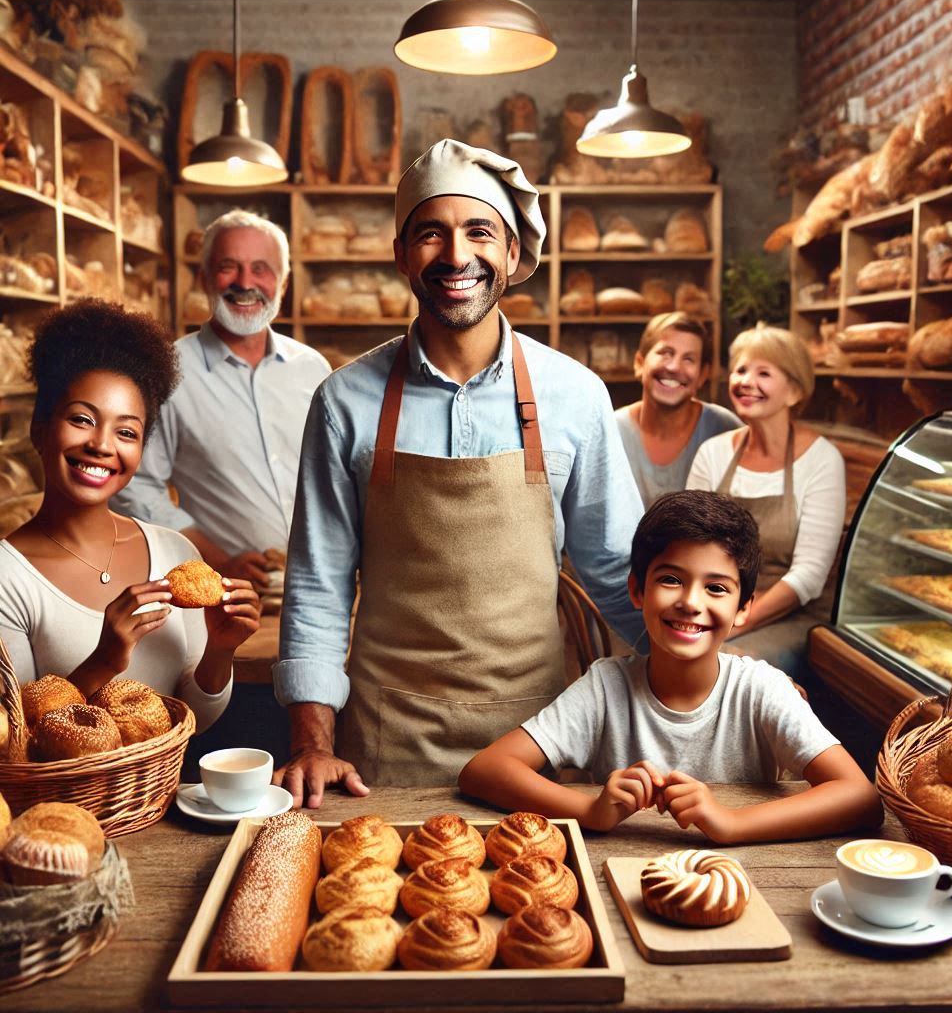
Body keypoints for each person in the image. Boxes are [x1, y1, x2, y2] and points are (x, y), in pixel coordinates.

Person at [273, 139, 646, 803]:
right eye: (430, 234)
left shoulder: (576, 394)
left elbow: (618, 571)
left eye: (479, 231)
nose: (456, 256)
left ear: (511, 253)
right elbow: (319, 589)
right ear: (401, 256)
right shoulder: (344, 400)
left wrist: (717, 675)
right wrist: (312, 745)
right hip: (386, 745)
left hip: (538, 740)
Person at [459, 491, 881, 841]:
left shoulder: (761, 689)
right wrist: (591, 809)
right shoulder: (606, 688)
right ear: (637, 590)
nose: (691, 602)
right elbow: (485, 770)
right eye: (671, 579)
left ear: (742, 609)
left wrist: (730, 821)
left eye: (716, 587)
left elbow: (860, 798)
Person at [0, 299, 261, 731]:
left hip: (164, 792)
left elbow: (197, 721)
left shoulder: (174, 551)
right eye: (82, 419)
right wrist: (102, 662)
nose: (102, 445)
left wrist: (221, 648)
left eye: (126, 432)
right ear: (40, 428)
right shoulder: (9, 576)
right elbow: (15, 742)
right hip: (62, 800)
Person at [113, 210, 331, 590]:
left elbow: (335, 475)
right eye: (228, 267)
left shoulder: (312, 368)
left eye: (261, 268)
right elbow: (135, 484)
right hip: (224, 594)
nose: (245, 282)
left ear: (283, 283)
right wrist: (214, 560)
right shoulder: (167, 373)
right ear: (203, 279)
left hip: (322, 586)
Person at [686, 326, 845, 674]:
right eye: (741, 370)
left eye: (763, 373)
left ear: (794, 391)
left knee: (723, 665)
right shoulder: (712, 454)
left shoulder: (821, 460)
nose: (746, 381)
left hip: (790, 617)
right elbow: (689, 546)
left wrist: (731, 624)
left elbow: (809, 577)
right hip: (716, 605)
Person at [615, 312, 740, 508]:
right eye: (665, 353)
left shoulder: (725, 428)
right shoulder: (612, 431)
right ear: (640, 363)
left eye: (689, 359)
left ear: (702, 375)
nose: (674, 367)